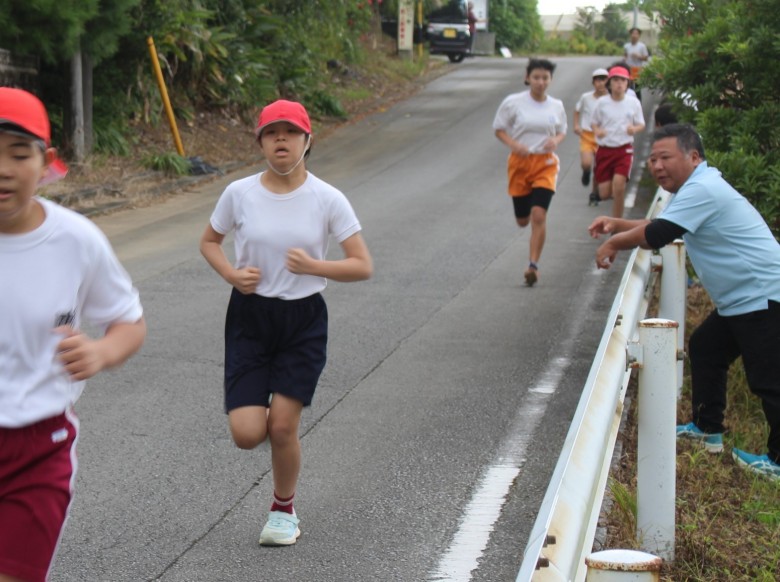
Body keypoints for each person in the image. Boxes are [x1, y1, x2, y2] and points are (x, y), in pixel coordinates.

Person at [199, 99, 373, 546]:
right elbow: (210, 242)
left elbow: (361, 265)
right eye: (272, 132)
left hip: (303, 320)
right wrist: (230, 274)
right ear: (260, 141)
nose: (281, 139)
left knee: (281, 427)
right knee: (246, 433)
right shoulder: (239, 193)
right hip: (250, 317)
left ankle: (283, 509)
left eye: (290, 132)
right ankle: (277, 464)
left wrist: (317, 266)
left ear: (307, 141)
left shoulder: (327, 198)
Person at [0, 87, 147, 582]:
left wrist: (103, 350)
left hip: (37, 452)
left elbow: (129, 322)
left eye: (19, 154)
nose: (3, 168)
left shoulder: (76, 240)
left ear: (47, 164)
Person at [589, 123, 780, 482]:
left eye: (665, 158)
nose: (657, 166)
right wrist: (617, 224)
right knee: (706, 347)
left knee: (769, 380)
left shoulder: (703, 189)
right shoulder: (697, 187)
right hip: (745, 297)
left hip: (762, 294)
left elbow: (659, 233)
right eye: (652, 160)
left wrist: (613, 244)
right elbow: (664, 223)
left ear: (693, 157)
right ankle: (707, 430)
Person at [493, 58, 567, 287]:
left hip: (545, 164)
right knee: (523, 220)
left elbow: (561, 131)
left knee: (538, 215)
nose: (541, 82)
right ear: (527, 77)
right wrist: (514, 145)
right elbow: (499, 129)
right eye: (536, 77)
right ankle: (532, 258)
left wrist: (554, 140)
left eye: (545, 78)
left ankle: (532, 265)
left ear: (550, 79)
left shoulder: (556, 105)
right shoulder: (513, 103)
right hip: (520, 164)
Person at [590, 65, 645, 219]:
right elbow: (593, 122)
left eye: (623, 80)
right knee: (605, 193)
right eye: (615, 80)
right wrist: (598, 131)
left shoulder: (633, 103)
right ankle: (611, 203)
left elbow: (641, 124)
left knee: (619, 187)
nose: (619, 83)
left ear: (627, 83)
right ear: (610, 83)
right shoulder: (602, 103)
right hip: (605, 149)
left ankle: (617, 225)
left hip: (624, 149)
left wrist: (634, 129)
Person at [573, 68, 609, 205]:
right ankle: (585, 172)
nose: (601, 83)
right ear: (593, 82)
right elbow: (577, 110)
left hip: (603, 137)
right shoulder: (586, 97)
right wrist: (576, 125)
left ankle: (594, 194)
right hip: (587, 135)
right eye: (598, 80)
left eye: (604, 80)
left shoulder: (610, 99)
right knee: (587, 163)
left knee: (598, 168)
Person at [623, 28, 649, 100]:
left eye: (636, 34)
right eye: (633, 33)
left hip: (637, 69)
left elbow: (646, 58)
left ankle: (638, 105)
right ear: (630, 35)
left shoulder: (642, 46)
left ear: (639, 35)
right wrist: (624, 60)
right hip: (628, 69)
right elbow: (625, 55)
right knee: (628, 88)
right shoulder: (626, 46)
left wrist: (639, 56)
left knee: (637, 89)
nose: (634, 35)